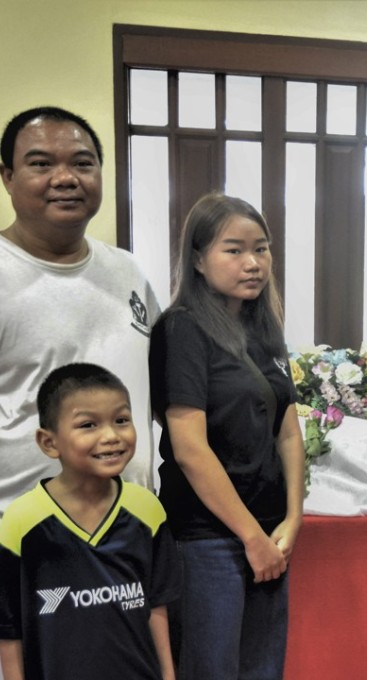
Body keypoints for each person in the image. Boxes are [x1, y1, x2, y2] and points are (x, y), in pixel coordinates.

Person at [148, 193, 305, 679]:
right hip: (209, 538)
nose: (252, 263)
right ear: (197, 259)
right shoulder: (183, 330)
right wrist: (250, 536)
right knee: (211, 670)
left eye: (261, 248)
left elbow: (289, 431)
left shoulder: (264, 329)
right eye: (233, 250)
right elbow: (189, 448)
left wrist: (293, 519)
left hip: (269, 531)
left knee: (262, 670)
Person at [0, 106, 159, 512]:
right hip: (20, 530)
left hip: (129, 524)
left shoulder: (128, 270)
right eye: (41, 164)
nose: (66, 178)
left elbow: (161, 381)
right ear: (8, 178)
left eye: (82, 163)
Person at [0, 363, 179, 680]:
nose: (111, 435)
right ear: (49, 442)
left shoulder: (148, 511)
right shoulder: (20, 524)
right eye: (88, 425)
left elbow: (157, 609)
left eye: (121, 420)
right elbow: (9, 631)